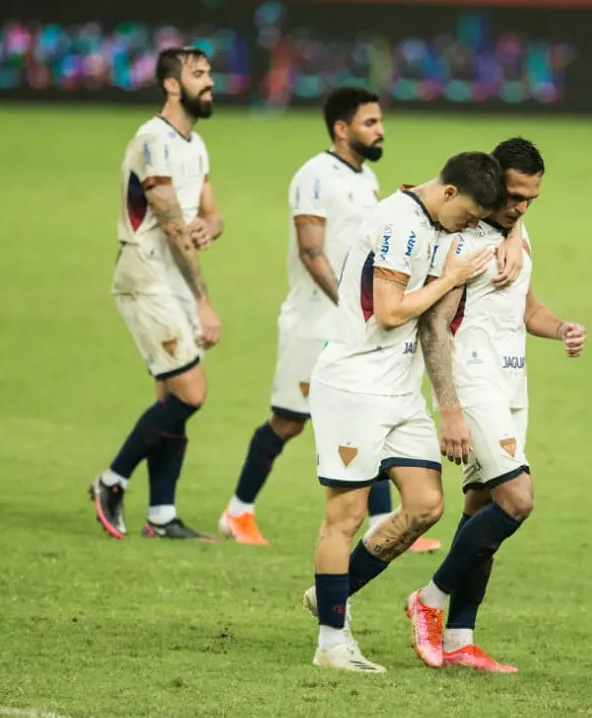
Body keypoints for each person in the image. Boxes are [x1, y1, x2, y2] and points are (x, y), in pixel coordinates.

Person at [217, 86, 441, 551]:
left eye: (380, 122)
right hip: (313, 321)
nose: (380, 130)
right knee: (288, 421)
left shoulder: (367, 178)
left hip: (348, 324)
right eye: (370, 123)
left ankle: (382, 520)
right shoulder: (314, 176)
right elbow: (311, 249)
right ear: (342, 129)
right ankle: (238, 511)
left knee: (368, 409)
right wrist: (346, 302)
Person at [305, 152, 504, 672]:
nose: (468, 226)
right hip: (354, 385)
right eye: (467, 215)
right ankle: (331, 643)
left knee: (425, 505)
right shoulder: (399, 224)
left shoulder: (429, 221)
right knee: (344, 517)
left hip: (400, 391)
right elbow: (391, 312)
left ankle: (331, 592)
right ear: (449, 193)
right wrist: (450, 276)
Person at [406, 137, 586, 673]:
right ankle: (430, 599)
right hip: (475, 383)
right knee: (518, 500)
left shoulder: (517, 237)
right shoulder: (463, 240)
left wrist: (562, 329)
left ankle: (461, 638)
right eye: (512, 196)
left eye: (531, 200)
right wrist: (450, 407)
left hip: (513, 388)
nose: (520, 207)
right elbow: (435, 324)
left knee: (483, 510)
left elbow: (526, 307)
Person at [89, 46, 224, 541]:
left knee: (171, 394)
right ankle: (111, 480)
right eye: (199, 74)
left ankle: (162, 516)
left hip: (173, 278)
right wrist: (205, 301)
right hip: (146, 274)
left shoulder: (196, 144)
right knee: (192, 392)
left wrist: (210, 226)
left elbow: (210, 214)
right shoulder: (153, 141)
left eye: (210, 73)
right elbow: (170, 226)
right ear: (172, 84)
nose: (210, 82)